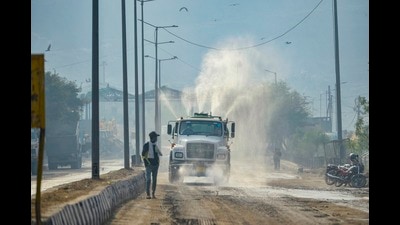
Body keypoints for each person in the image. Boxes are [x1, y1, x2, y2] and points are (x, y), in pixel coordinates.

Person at [141, 131, 163, 199]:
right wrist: (146, 164)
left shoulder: (155, 146)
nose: (156, 138)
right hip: (149, 165)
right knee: (148, 180)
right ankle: (148, 194)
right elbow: (143, 155)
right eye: (156, 137)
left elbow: (160, 154)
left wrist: (158, 162)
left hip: (156, 165)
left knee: (154, 180)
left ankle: (153, 194)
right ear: (153, 138)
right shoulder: (146, 145)